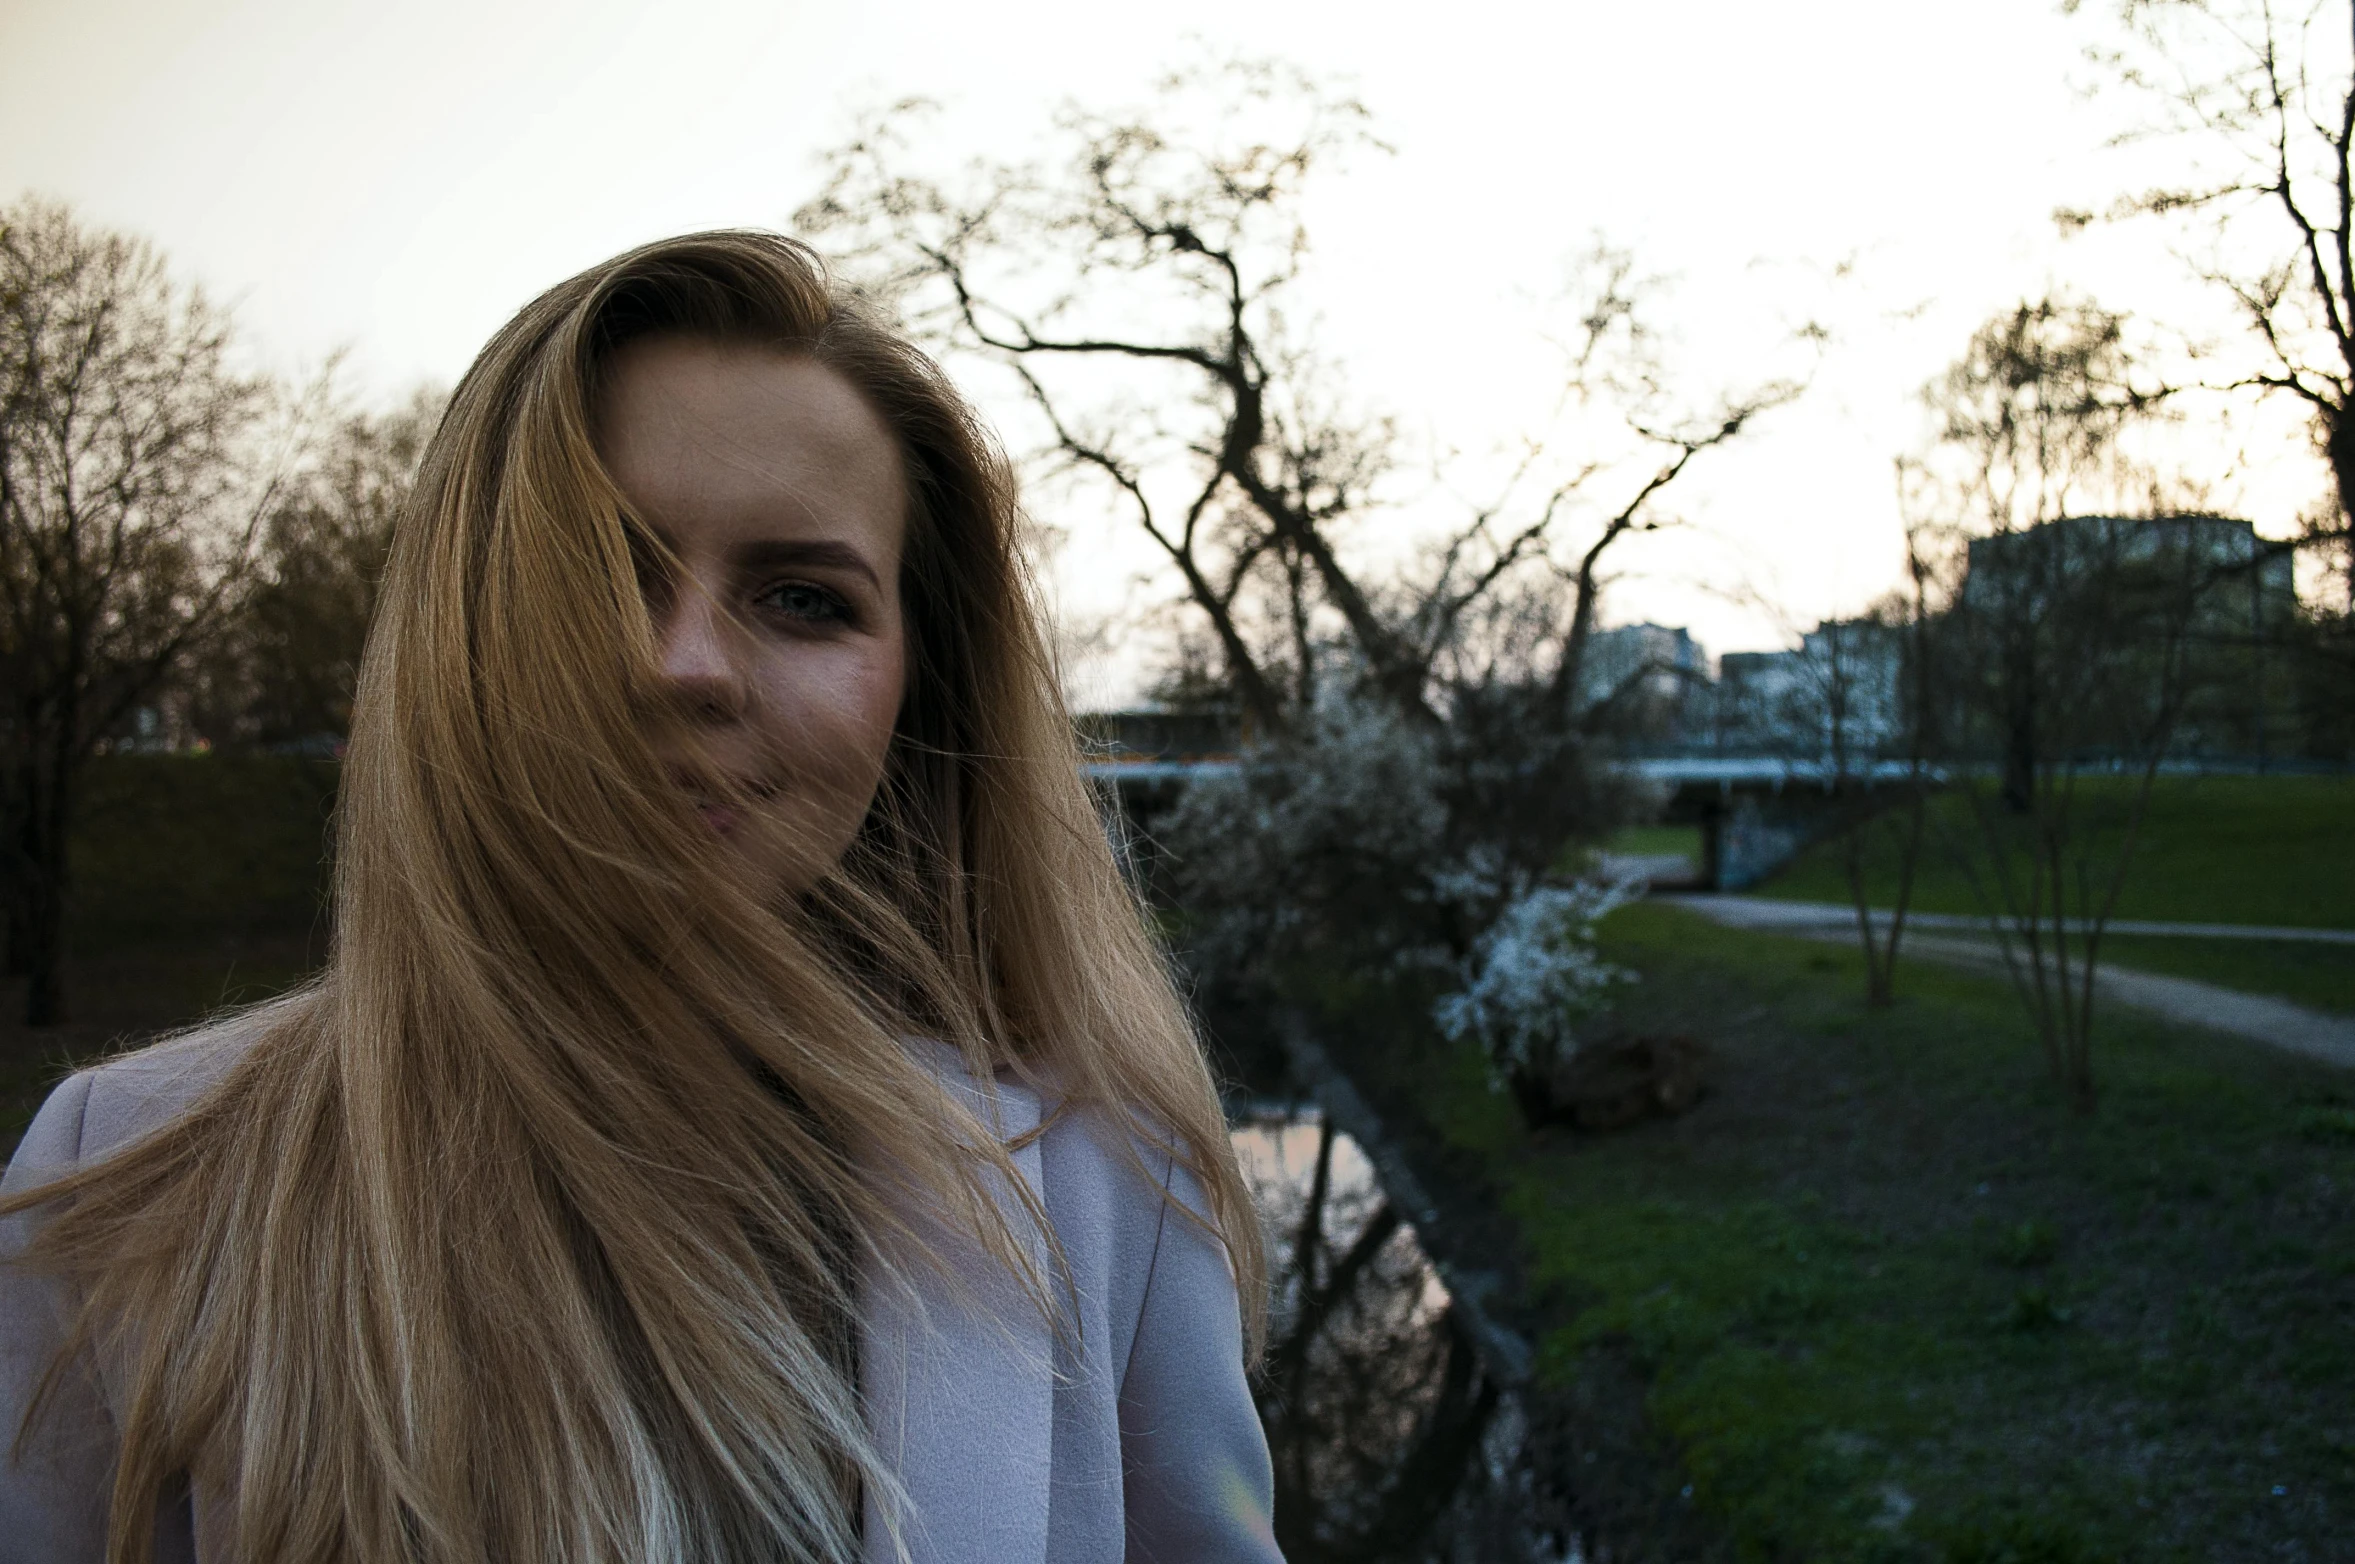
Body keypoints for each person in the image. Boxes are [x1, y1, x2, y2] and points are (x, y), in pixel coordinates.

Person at [0, 231, 1282, 1564]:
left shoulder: (1104, 1193)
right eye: (607, 572)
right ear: (466, 627)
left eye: (803, 599)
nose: (685, 666)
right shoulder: (124, 1183)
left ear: (919, 694)